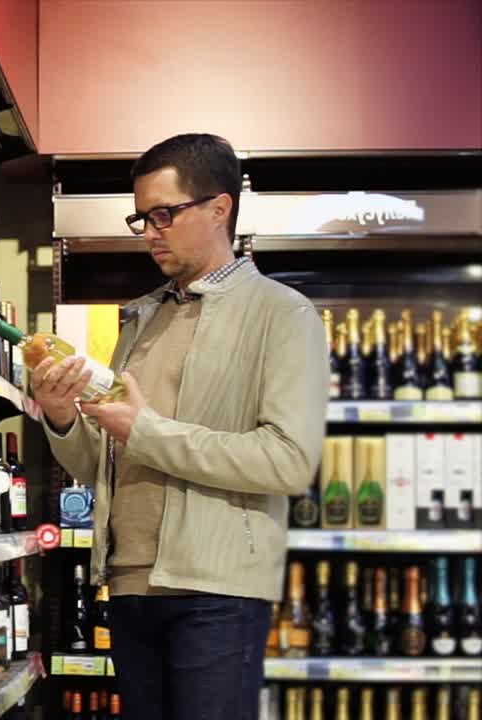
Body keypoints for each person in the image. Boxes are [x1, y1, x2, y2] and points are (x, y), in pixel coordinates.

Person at [31, 134, 327, 720]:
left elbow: (289, 460)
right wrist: (63, 416)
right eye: (141, 217)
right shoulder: (142, 318)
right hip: (129, 582)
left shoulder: (282, 312)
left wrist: (146, 431)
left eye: (164, 214)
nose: (149, 232)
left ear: (220, 208)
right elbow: (103, 462)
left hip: (217, 591)